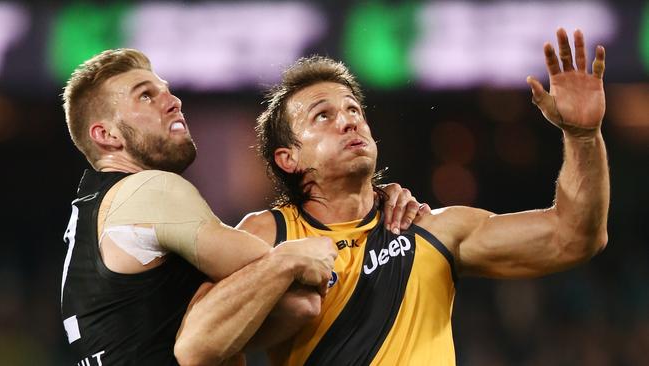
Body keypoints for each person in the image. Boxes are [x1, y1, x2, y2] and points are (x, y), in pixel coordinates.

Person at [199, 28, 606, 365]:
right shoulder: (267, 236)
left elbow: (573, 238)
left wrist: (583, 136)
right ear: (289, 158)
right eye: (323, 115)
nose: (348, 122)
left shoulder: (431, 227)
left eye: (354, 110)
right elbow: (197, 341)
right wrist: (279, 267)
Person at [59, 48, 422, 365]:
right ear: (106, 135)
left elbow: (288, 304)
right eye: (145, 96)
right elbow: (302, 279)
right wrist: (362, 211)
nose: (173, 101)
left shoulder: (91, 210)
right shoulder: (152, 188)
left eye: (166, 91)